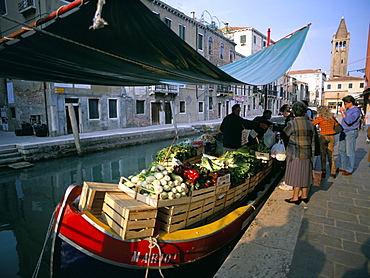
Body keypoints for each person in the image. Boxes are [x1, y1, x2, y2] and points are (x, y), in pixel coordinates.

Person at [283, 101, 316, 204]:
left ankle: (295, 197)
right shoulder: (311, 124)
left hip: (295, 153)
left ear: (294, 113)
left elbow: (285, 134)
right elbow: (314, 140)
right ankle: (305, 195)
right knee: (305, 173)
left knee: (296, 174)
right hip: (307, 153)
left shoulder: (292, 123)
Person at [337, 95, 361, 175]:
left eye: (346, 103)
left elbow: (349, 121)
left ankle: (349, 169)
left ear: (351, 103)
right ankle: (343, 166)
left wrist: (343, 113)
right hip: (344, 131)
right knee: (341, 150)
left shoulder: (356, 111)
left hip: (351, 132)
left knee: (349, 151)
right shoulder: (347, 109)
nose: (345, 104)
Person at [312, 106, 339, 178]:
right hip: (332, 136)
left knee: (323, 154)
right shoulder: (332, 118)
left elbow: (312, 124)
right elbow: (336, 125)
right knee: (331, 154)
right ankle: (333, 172)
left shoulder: (320, 118)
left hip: (323, 136)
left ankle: (323, 171)